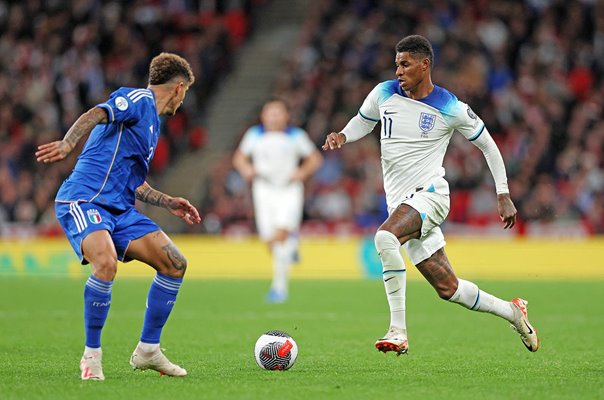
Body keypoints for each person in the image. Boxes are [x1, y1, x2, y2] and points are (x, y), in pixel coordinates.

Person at [322, 35, 540, 355]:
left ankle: (398, 331)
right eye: (396, 64)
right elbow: (363, 121)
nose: (398, 70)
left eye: (405, 64)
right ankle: (513, 312)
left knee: (384, 238)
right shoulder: (383, 93)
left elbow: (488, 145)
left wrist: (503, 193)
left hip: (431, 195)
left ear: (425, 65)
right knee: (449, 289)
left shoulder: (451, 107)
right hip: (401, 204)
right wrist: (343, 134)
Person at [35, 53, 201, 380]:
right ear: (179, 88)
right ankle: (92, 356)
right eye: (185, 95)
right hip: (85, 200)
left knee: (175, 264)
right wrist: (69, 144)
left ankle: (148, 350)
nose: (182, 103)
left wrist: (167, 201)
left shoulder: (152, 125)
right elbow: (97, 113)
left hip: (120, 208)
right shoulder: (139, 99)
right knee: (106, 263)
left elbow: (133, 180)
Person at [233, 99, 323, 303]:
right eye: (269, 112)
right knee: (269, 240)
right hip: (263, 190)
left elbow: (315, 158)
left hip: (288, 190)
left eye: (278, 112)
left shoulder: (295, 135)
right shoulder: (254, 135)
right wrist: (247, 170)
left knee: (279, 235)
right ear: (263, 116)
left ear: (286, 116)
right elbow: (239, 158)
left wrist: (302, 172)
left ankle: (279, 288)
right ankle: (291, 247)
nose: (273, 116)